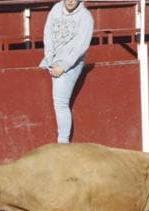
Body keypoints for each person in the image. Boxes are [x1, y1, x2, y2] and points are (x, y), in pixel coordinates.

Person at [39, 0, 94, 143]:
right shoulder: (56, 9)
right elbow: (48, 34)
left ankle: (63, 142)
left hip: (71, 63)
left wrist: (63, 66)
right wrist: (49, 58)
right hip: (52, 59)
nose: (70, 1)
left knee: (61, 103)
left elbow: (80, 47)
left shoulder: (85, 17)